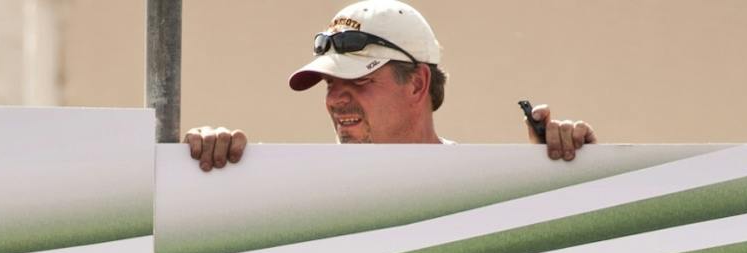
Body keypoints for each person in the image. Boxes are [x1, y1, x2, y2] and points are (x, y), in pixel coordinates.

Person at [184, 1, 596, 171]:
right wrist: (197, 169)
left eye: (359, 80)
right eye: (329, 83)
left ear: (417, 83)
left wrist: (566, 172)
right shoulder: (304, 191)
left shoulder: (482, 182)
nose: (334, 99)